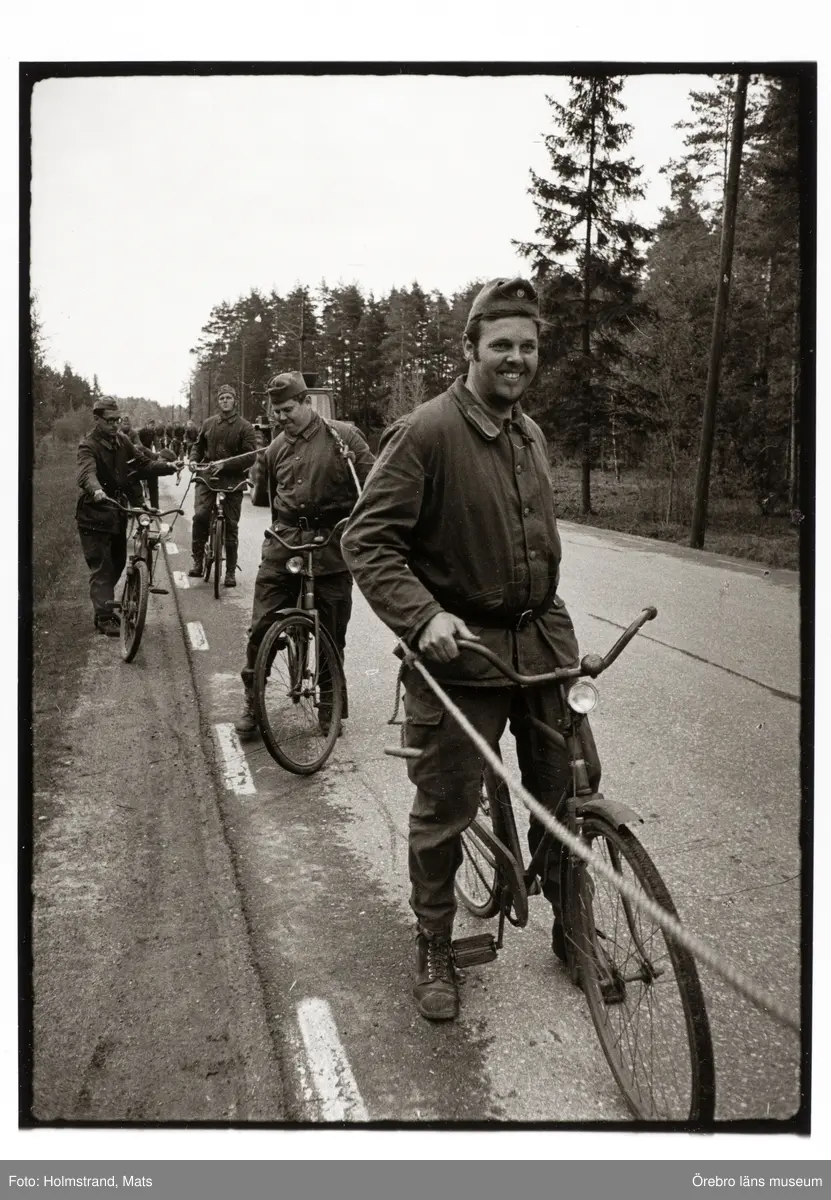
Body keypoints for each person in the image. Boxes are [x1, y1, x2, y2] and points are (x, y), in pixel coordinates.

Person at [341, 277, 601, 1022]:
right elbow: (365, 540)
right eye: (501, 346)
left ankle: (570, 928)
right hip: (460, 653)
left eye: (527, 346)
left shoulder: (529, 431)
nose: (515, 359)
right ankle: (433, 940)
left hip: (542, 642)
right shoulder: (425, 432)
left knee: (566, 791)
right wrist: (422, 617)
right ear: (469, 350)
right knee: (446, 805)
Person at [210, 371, 375, 736]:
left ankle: (330, 707)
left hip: (331, 548)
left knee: (332, 632)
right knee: (261, 627)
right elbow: (264, 498)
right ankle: (253, 704)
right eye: (275, 412)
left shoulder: (342, 437)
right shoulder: (273, 449)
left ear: (305, 402)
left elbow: (374, 484)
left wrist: (357, 529)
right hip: (284, 546)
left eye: (287, 409)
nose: (281, 418)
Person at [76, 397, 179, 635]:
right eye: (109, 420)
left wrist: (168, 467)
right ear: (97, 419)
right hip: (94, 514)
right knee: (102, 569)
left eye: (117, 420)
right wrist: (96, 489)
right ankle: (103, 617)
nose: (114, 425)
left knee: (119, 563)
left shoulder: (122, 441)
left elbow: (143, 464)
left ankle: (103, 607)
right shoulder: (88, 446)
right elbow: (86, 473)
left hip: (116, 514)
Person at [187, 384, 256, 587]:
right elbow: (198, 446)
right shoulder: (209, 424)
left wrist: (226, 464)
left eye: (228, 397)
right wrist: (193, 460)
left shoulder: (245, 427)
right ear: (218, 401)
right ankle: (198, 560)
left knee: (231, 525)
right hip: (207, 477)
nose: (225, 401)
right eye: (222, 398)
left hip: (233, 480)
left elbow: (251, 456)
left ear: (235, 400)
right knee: (200, 516)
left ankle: (230, 572)